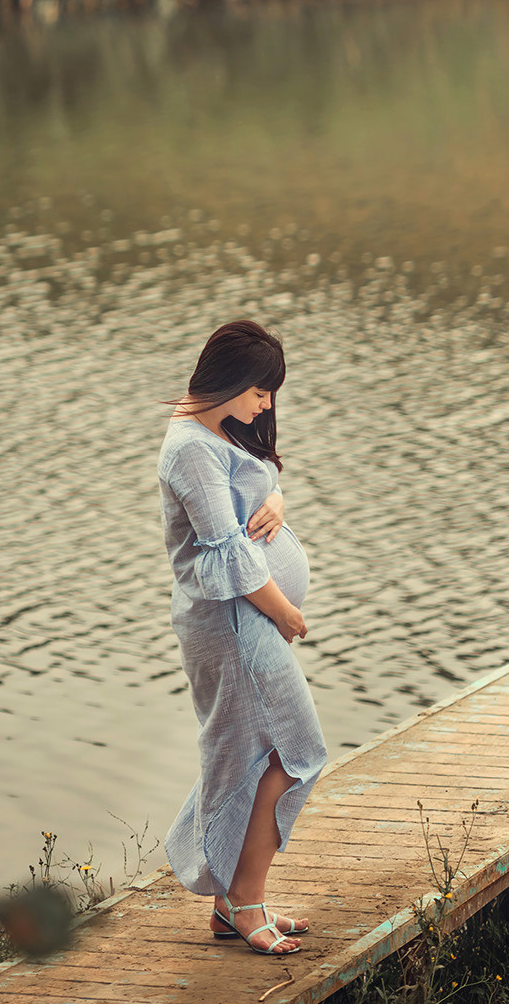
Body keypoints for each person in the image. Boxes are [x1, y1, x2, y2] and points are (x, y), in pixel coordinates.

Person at [158, 318, 327, 957]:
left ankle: (233, 903)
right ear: (230, 380)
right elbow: (228, 553)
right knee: (295, 752)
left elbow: (256, 485)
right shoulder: (189, 448)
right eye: (261, 390)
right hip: (233, 620)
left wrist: (278, 502)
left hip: (242, 619)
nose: (267, 404)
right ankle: (244, 900)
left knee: (251, 752)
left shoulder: (214, 428)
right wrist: (285, 612)